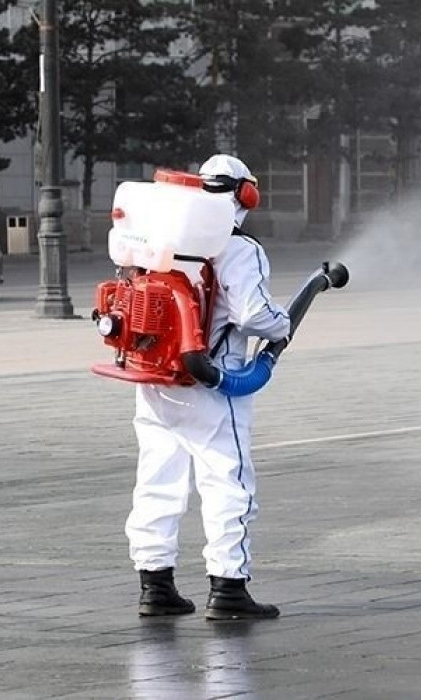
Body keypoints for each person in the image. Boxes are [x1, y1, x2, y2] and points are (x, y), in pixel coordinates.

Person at [125, 154, 291, 621]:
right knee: (228, 481)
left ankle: (155, 586)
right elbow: (255, 315)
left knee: (158, 478)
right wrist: (281, 327)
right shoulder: (239, 249)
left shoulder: (165, 241)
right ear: (246, 196)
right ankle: (229, 588)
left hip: (156, 379)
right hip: (213, 383)